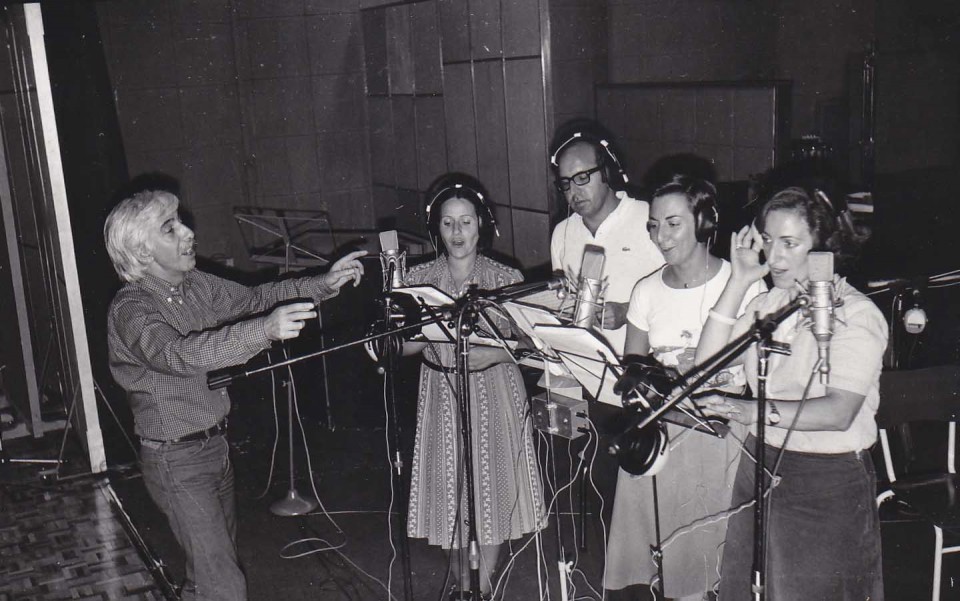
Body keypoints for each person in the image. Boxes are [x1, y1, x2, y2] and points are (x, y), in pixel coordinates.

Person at [104, 189, 366, 601]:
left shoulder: (195, 285)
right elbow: (178, 355)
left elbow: (256, 298)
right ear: (142, 250)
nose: (189, 232)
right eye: (170, 228)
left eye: (181, 221)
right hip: (176, 461)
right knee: (224, 586)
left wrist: (322, 284)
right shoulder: (131, 310)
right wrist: (263, 330)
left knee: (204, 574)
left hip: (214, 449)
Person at [694, 186, 887, 600]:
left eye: (789, 243)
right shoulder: (771, 304)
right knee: (743, 587)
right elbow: (705, 366)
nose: (774, 256)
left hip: (825, 479)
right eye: (767, 240)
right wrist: (739, 280)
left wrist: (748, 412)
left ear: (822, 248)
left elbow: (839, 412)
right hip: (757, 464)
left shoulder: (856, 315)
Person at [606, 177, 765, 600]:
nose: (661, 237)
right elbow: (631, 378)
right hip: (664, 434)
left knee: (715, 566)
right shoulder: (646, 290)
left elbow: (759, 375)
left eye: (672, 224)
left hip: (724, 434)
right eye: (654, 226)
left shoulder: (745, 282)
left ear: (705, 221)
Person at [403, 176, 545, 601]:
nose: (458, 233)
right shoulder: (419, 276)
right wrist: (402, 320)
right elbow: (406, 348)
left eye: (466, 222)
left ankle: (480, 590)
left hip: (495, 392)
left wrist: (498, 355)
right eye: (448, 224)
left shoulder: (505, 277)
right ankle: (461, 585)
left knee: (490, 490)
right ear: (436, 228)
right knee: (451, 492)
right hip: (440, 392)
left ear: (481, 225)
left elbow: (534, 345)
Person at [549, 124, 664, 354]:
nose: (574, 190)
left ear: (606, 172)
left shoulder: (650, 218)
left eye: (582, 177)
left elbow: (682, 294)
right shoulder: (562, 232)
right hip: (582, 366)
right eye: (566, 183)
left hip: (641, 368)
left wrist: (626, 312)